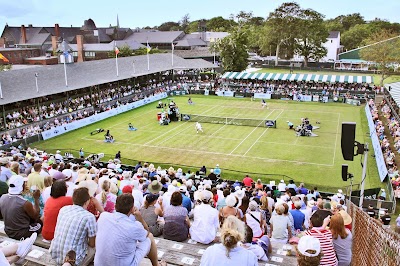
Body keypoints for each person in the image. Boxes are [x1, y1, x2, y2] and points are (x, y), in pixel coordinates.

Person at [94, 193, 165, 266]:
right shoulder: (135, 226)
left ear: (115, 206)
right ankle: (156, 265)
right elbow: (147, 232)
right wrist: (139, 217)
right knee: (149, 237)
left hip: (99, 263)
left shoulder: (103, 216)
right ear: (132, 209)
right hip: (126, 263)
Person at [51, 187, 97, 266]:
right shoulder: (89, 217)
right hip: (74, 260)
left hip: (55, 255)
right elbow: (92, 244)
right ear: (87, 202)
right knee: (93, 249)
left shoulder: (63, 209)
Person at [0, 175, 42, 240]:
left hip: (8, 230)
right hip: (22, 233)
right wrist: (36, 199)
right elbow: (36, 216)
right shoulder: (25, 203)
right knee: (40, 223)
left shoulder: (3, 197)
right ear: (22, 186)